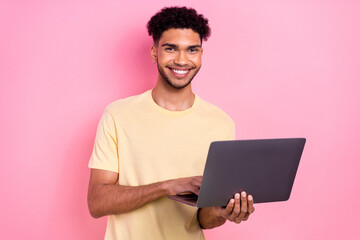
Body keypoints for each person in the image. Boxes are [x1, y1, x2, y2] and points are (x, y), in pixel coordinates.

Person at [87, 6, 255, 239]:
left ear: (201, 54)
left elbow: (203, 219)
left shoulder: (220, 123)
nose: (182, 60)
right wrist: (167, 186)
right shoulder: (118, 115)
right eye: (171, 48)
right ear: (155, 52)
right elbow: (97, 202)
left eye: (192, 50)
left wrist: (223, 212)